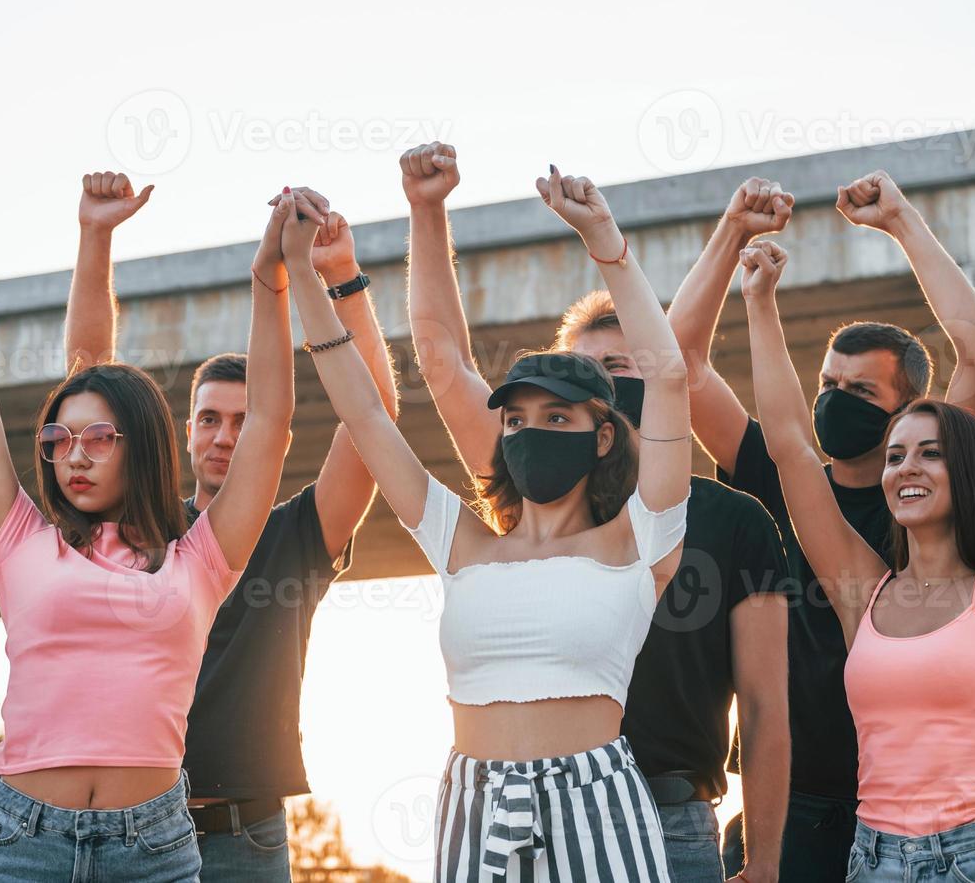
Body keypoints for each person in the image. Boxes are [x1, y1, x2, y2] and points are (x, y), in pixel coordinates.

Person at [399, 142, 789, 883]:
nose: (603, 386)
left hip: (670, 817)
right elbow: (444, 361)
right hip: (515, 803)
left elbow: (767, 705)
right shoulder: (528, 487)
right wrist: (427, 210)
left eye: (621, 368)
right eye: (587, 374)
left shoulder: (727, 518)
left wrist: (764, 858)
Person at [287, 168, 690, 881]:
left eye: (557, 417)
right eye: (516, 420)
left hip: (595, 802)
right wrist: (306, 276)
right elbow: (368, 413)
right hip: (474, 803)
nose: (531, 433)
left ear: (601, 436)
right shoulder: (462, 543)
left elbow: (669, 378)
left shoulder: (637, 541)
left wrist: (603, 239)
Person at [0, 167, 296, 882]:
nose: (72, 456)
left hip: (152, 846)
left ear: (140, 444)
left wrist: (271, 280)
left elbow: (270, 421)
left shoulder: (199, 558)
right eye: (59, 440)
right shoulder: (17, 541)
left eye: (98, 438)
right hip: (18, 840)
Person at [667, 171, 975, 880]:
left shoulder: (933, 496)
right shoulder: (773, 472)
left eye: (861, 391)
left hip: (912, 810)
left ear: (908, 406)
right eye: (827, 386)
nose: (836, 401)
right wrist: (738, 252)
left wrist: (901, 221)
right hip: (786, 810)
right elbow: (680, 368)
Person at [61, 173, 399, 882]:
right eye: (210, 418)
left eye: (244, 420)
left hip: (245, 841)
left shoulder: (297, 536)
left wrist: (339, 275)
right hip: (128, 835)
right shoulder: (137, 530)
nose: (224, 436)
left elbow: (374, 419)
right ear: (185, 434)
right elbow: (86, 381)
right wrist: (96, 237)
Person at [735, 195, 975, 882]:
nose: (906, 466)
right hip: (874, 860)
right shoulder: (865, 593)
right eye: (896, 455)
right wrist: (759, 303)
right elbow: (793, 449)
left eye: (930, 453)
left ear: (965, 469)